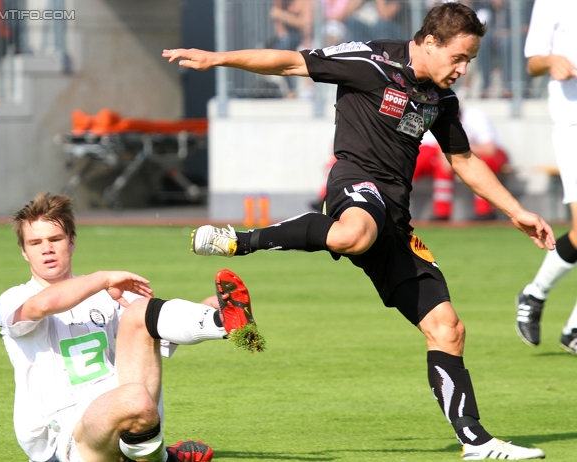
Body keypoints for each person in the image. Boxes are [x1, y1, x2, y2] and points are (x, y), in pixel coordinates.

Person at [163, 3, 553, 460]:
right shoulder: (370, 62)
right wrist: (217, 59)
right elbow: (290, 61)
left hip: (397, 221)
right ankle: (240, 241)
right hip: (356, 184)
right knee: (354, 233)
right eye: (459, 58)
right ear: (429, 42)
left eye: (470, 61)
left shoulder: (440, 99)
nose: (464, 70)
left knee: (447, 328)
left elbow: (463, 160)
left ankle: (475, 441)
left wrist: (515, 210)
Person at [0, 193, 256, 462]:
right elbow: (43, 305)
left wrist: (207, 310)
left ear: (72, 242)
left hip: (119, 415)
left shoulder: (105, 293)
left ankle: (225, 324)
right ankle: (164, 458)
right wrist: (104, 277)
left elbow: (155, 328)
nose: (46, 249)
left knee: (141, 310)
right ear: (24, 252)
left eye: (55, 239)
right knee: (134, 399)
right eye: (35, 242)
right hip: (65, 438)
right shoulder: (14, 298)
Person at [515, 0, 577, 354]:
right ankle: (535, 293)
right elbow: (534, 61)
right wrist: (553, 60)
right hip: (573, 123)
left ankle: (572, 330)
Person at [414, 106, 509, 220]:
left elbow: (489, 150)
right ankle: (442, 214)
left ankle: (486, 212)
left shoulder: (476, 117)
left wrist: (457, 149)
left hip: (488, 155)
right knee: (440, 164)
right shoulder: (437, 121)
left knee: (482, 163)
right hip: (461, 155)